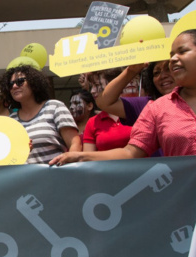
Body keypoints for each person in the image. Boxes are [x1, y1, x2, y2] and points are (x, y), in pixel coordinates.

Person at [49, 29, 196, 165]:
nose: (173, 59)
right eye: (171, 55)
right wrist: (79, 156)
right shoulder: (157, 107)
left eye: (182, 51)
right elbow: (131, 152)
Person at [1, 65, 81, 164]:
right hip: (24, 178)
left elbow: (75, 143)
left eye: (20, 81)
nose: (14, 86)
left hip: (55, 176)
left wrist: (68, 167)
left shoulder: (54, 107)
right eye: (10, 84)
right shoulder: (11, 120)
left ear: (33, 83)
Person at [96, 60, 176, 126]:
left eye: (168, 69)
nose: (162, 76)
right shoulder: (147, 105)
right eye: (156, 73)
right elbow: (104, 102)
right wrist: (131, 71)